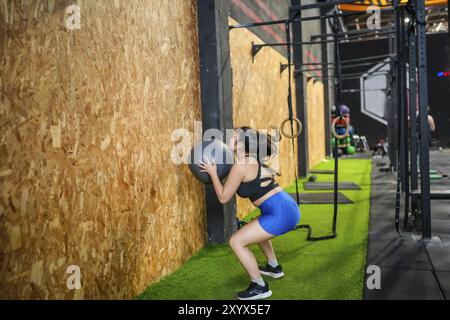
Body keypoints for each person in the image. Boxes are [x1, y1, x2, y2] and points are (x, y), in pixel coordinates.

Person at [198, 127, 301, 301]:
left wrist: (213, 174)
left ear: (240, 143)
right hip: (286, 208)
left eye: (233, 137)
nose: (229, 139)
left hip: (280, 213)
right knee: (256, 224)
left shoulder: (242, 165)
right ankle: (273, 266)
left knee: (236, 241)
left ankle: (259, 286)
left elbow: (223, 198)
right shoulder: (250, 160)